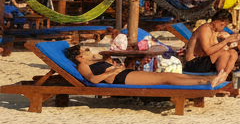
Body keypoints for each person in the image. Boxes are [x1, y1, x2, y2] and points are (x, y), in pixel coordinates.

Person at [66, 45, 216, 87]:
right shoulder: (82, 66)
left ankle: (209, 78)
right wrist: (111, 70)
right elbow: (93, 80)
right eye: (84, 51)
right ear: (79, 57)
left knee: (164, 76)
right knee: (164, 79)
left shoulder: (91, 62)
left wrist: (112, 65)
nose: (88, 51)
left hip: (123, 74)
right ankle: (206, 82)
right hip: (120, 78)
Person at [185, 10, 240, 85]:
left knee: (233, 53)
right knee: (224, 54)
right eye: (221, 25)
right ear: (217, 20)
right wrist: (225, 41)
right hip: (193, 63)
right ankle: (219, 74)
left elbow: (216, 48)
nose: (222, 28)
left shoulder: (214, 31)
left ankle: (224, 75)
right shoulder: (205, 29)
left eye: (224, 26)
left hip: (204, 61)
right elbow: (208, 50)